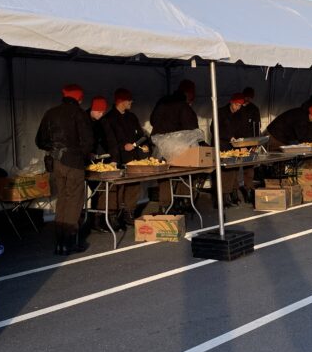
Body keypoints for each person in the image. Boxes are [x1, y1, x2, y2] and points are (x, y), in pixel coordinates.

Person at [36, 84, 94, 255]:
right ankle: (70, 242)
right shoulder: (80, 114)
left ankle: (59, 242)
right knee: (74, 201)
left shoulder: (50, 113)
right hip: (74, 162)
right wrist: (80, 154)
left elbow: (40, 141)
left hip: (56, 163)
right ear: (78, 97)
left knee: (62, 200)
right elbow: (88, 142)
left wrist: (55, 149)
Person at [150, 79, 199, 212]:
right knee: (185, 172)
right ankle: (183, 200)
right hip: (177, 147)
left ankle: (165, 204)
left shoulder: (162, 101)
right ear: (188, 93)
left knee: (164, 174)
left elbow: (152, 119)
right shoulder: (183, 106)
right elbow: (191, 128)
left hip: (159, 145)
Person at [102, 89, 148, 227]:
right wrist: (123, 146)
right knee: (117, 187)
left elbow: (140, 134)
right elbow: (107, 140)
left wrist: (144, 144)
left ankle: (129, 212)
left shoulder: (132, 117)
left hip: (133, 158)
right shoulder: (109, 118)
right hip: (118, 157)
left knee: (133, 186)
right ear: (121, 101)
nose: (131, 102)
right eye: (129, 100)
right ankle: (113, 215)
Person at [213, 93, 257, 206]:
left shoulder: (241, 113)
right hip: (222, 144)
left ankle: (234, 193)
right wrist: (229, 137)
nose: (238, 108)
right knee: (227, 171)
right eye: (236, 105)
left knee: (236, 170)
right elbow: (214, 128)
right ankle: (224, 196)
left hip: (236, 146)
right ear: (231, 102)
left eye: (240, 106)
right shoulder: (220, 112)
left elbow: (245, 129)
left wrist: (247, 142)